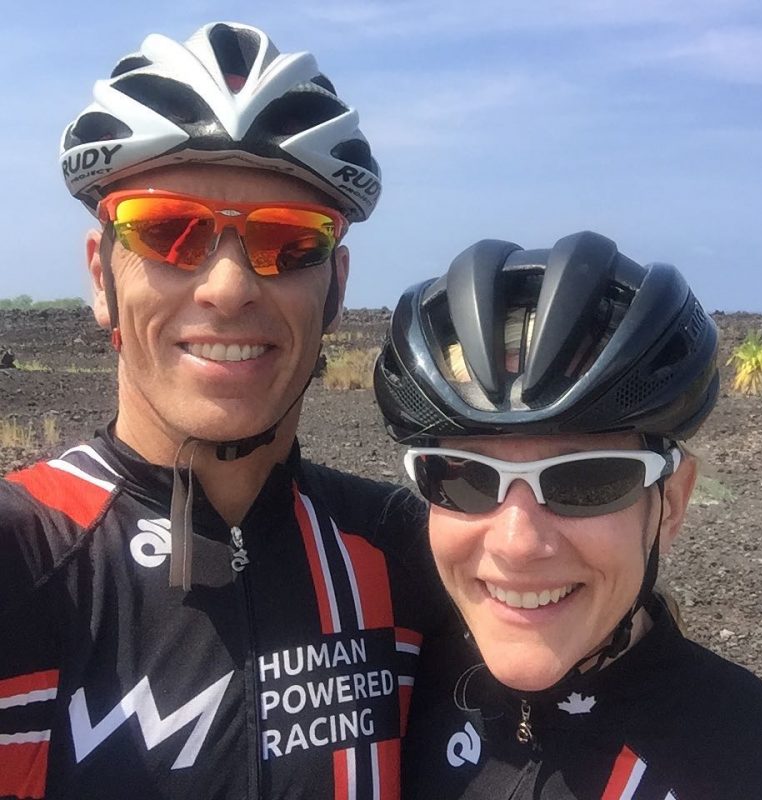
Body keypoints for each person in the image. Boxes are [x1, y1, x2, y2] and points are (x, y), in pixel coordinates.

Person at [0, 22, 446, 799]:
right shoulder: (25, 559)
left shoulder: (414, 562)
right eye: (168, 232)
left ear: (335, 287)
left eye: (287, 242)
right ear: (100, 275)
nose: (229, 287)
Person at [373, 231, 762, 799]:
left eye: (586, 479)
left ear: (670, 503)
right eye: (463, 476)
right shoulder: (384, 700)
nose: (517, 543)